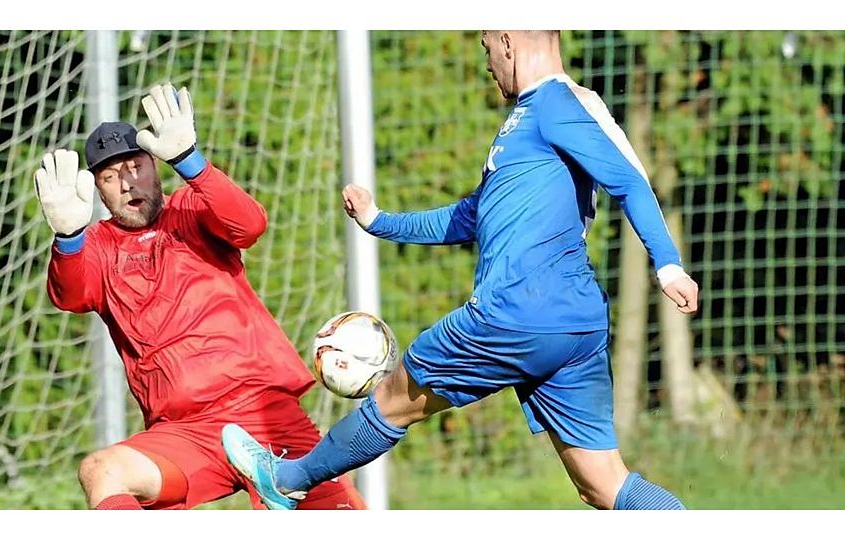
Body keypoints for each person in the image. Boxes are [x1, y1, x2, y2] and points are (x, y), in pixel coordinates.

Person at [222, 30, 699, 510]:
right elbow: (470, 216)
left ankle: (287, 479)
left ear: (508, 41)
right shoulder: (530, 118)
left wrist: (669, 266)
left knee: (393, 395)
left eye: (487, 46)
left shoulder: (554, 104)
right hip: (576, 323)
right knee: (603, 484)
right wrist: (378, 222)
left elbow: (628, 181)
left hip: (514, 311)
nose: (488, 63)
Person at [34, 82, 364, 510]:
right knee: (101, 470)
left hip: (264, 414)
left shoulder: (191, 206)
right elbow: (70, 295)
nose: (127, 183)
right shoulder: (94, 245)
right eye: (110, 177)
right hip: (185, 433)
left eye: (135, 166)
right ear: (97, 191)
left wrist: (190, 161)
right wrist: (67, 237)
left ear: (155, 164)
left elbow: (250, 225)